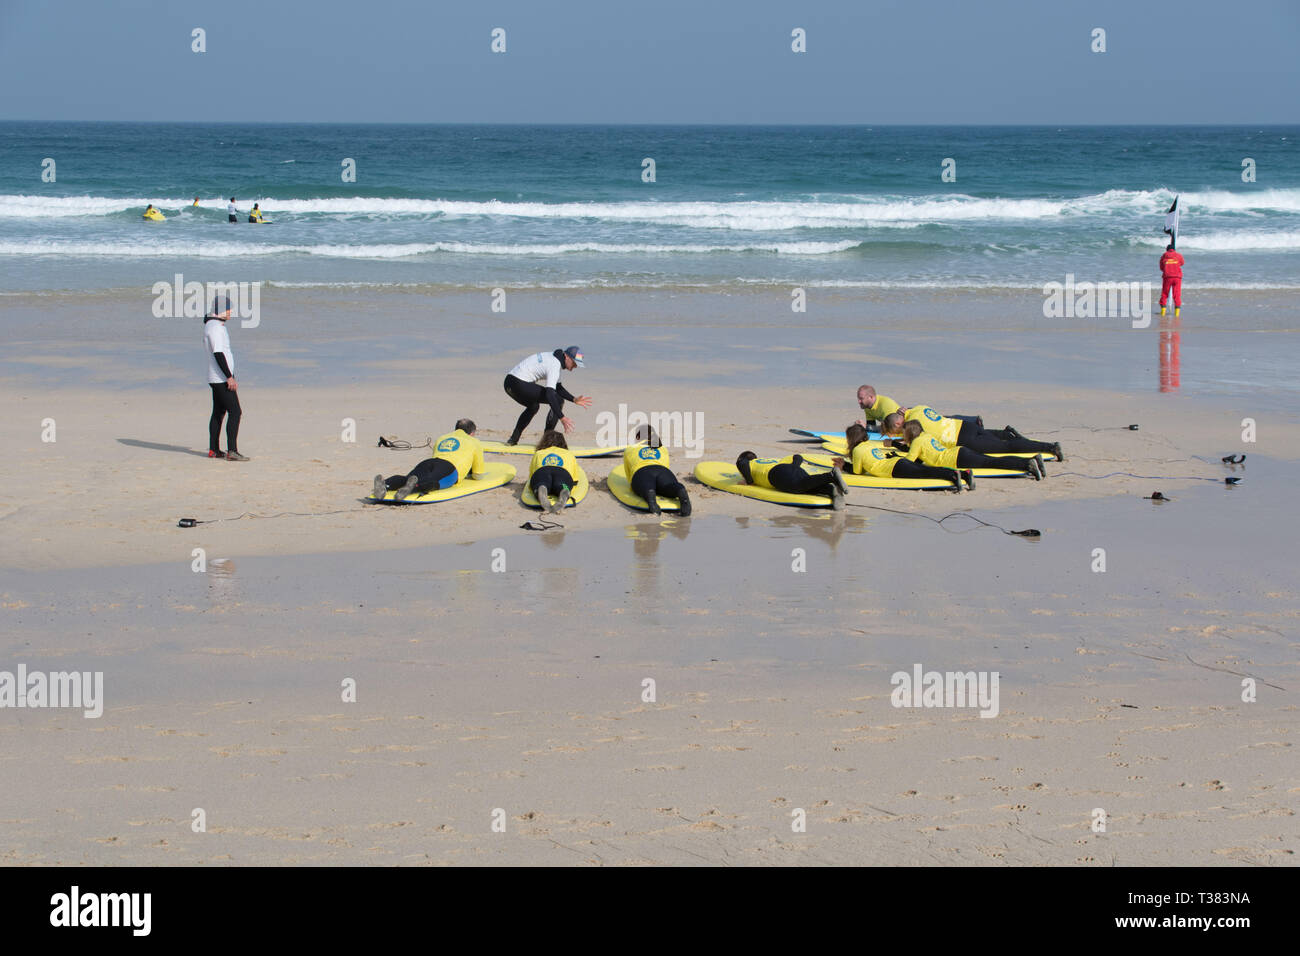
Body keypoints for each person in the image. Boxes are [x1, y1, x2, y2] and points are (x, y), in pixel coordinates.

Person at [882, 407, 1062, 461]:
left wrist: (896, 444)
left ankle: (1050, 447)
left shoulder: (914, 426)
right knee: (1000, 440)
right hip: (965, 426)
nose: (900, 434)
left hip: (964, 439)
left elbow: (915, 448)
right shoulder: (918, 409)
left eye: (897, 431)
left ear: (899, 423)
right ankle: (1009, 434)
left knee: (1004, 448)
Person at [897, 421, 1042, 486]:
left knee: (991, 462)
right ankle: (1032, 459)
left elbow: (909, 462)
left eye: (904, 433)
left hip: (956, 459)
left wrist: (896, 455)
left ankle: (1027, 464)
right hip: (959, 452)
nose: (903, 436)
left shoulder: (917, 442)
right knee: (990, 460)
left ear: (910, 433)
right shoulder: (927, 436)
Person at [373, 419, 485, 501]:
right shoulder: (475, 442)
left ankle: (386, 484)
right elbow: (478, 475)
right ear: (472, 433)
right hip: (450, 468)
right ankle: (413, 488)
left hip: (429, 462)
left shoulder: (443, 438)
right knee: (433, 482)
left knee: (408, 478)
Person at [502, 347, 591, 445]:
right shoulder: (554, 365)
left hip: (509, 383)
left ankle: (513, 440)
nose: (575, 366)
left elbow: (558, 387)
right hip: (520, 383)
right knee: (558, 400)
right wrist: (562, 417)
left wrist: (573, 399)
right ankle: (547, 442)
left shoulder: (552, 358)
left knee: (533, 406)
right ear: (566, 356)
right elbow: (550, 394)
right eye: (574, 363)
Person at [833, 424, 964, 491]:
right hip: (898, 462)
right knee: (925, 470)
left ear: (851, 438)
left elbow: (857, 472)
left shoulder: (857, 450)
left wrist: (844, 466)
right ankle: (963, 474)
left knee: (926, 473)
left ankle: (953, 475)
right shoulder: (868, 444)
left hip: (894, 469)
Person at [203, 295, 247, 461]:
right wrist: (229, 377)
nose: (230, 312)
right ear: (220, 310)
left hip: (215, 377)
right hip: (221, 378)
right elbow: (218, 353)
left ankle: (214, 450)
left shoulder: (211, 325)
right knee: (235, 412)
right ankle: (232, 451)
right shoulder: (216, 328)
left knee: (219, 412)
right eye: (229, 309)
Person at [735, 451, 848, 509]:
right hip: (789, 469)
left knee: (797, 486)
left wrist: (748, 481)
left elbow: (741, 463)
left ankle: (831, 475)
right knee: (805, 487)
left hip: (775, 475)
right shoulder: (769, 461)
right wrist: (795, 465)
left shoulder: (749, 463)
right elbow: (798, 457)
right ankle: (831, 491)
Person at [623, 425, 691, 516]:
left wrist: (635, 485)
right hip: (663, 471)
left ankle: (650, 495)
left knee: (646, 487)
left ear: (638, 437)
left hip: (642, 472)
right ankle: (680, 490)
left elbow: (629, 475)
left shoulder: (630, 449)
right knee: (668, 486)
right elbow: (666, 466)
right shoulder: (662, 448)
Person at [527, 431, 580, 514]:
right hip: (562, 473)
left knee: (541, 483)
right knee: (562, 485)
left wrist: (534, 484)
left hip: (542, 471)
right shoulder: (569, 454)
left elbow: (532, 474)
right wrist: (569, 485)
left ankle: (541, 487)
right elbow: (574, 478)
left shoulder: (538, 453)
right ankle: (563, 490)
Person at [1159, 243, 1184, 317]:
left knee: (1164, 294)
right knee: (1177, 295)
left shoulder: (1164, 255)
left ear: (1167, 249)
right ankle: (1177, 314)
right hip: (1177, 277)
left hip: (1167, 277)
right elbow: (1182, 263)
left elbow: (1161, 267)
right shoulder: (1179, 255)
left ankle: (1163, 313)